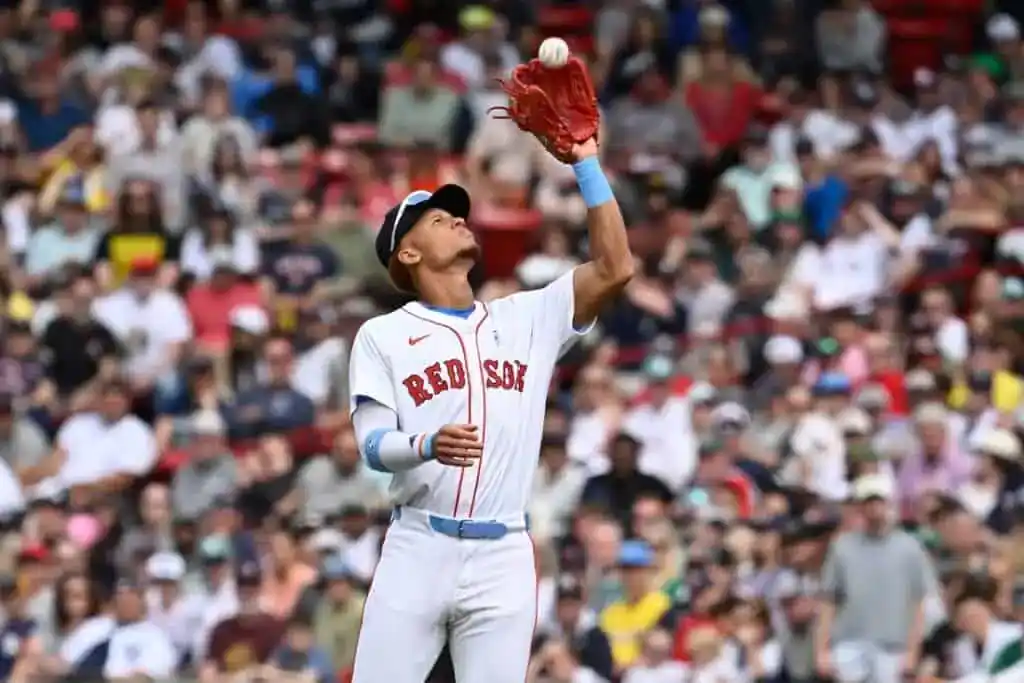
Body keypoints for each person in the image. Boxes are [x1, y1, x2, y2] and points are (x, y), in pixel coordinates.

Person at [346, 116, 634, 683]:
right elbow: (373, 446)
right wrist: (427, 443)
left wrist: (585, 163)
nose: (458, 217)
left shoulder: (527, 316)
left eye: (456, 212)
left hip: (504, 550)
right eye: (437, 218)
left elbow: (615, 268)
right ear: (407, 254)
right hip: (419, 544)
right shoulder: (382, 334)